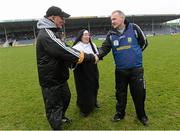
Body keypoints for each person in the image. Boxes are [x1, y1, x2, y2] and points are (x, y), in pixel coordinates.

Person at [36, 6, 98, 130]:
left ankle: (61, 117)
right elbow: (64, 50)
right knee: (54, 106)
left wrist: (72, 63)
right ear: (52, 17)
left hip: (59, 77)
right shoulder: (46, 33)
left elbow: (62, 52)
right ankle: (57, 127)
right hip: (51, 80)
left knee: (66, 98)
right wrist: (90, 57)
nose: (63, 21)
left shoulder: (52, 32)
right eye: (61, 18)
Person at [97, 10, 148, 125]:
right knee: (120, 94)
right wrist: (97, 56)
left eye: (114, 19)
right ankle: (120, 114)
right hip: (120, 71)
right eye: (111, 20)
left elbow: (144, 42)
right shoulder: (111, 34)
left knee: (139, 94)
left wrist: (136, 54)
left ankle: (141, 116)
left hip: (136, 69)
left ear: (122, 18)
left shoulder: (134, 28)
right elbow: (104, 48)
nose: (112, 22)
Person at [72, 29, 100, 117]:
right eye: (85, 35)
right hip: (82, 71)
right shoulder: (76, 47)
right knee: (84, 89)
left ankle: (94, 102)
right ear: (80, 36)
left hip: (93, 69)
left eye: (88, 35)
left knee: (94, 86)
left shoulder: (93, 45)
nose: (87, 36)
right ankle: (84, 108)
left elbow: (97, 55)